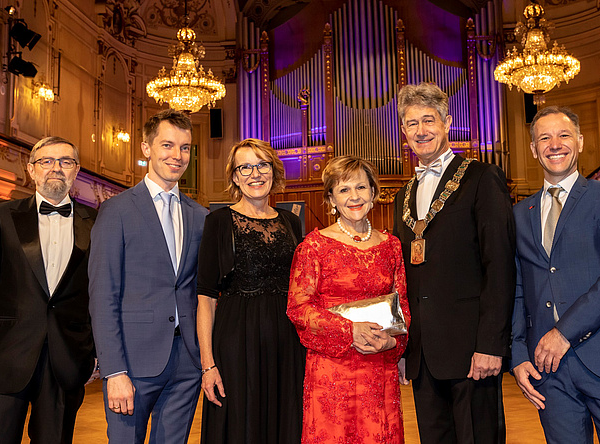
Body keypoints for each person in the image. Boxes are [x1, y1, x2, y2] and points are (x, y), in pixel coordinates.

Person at [510, 106, 600, 444]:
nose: (554, 144)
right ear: (533, 149)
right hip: (547, 370)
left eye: (563, 135)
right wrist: (516, 354)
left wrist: (564, 333)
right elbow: (515, 286)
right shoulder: (518, 213)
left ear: (581, 142)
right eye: (544, 137)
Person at [392, 82, 515, 443]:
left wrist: (491, 343)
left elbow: (500, 265)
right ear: (403, 132)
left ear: (447, 122)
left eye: (428, 120)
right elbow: (402, 278)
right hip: (423, 354)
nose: (421, 130)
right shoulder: (403, 194)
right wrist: (403, 347)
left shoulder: (481, 177)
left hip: (471, 349)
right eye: (411, 123)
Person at [0, 136, 98, 444]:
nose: (56, 169)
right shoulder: (2, 216)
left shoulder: (97, 222)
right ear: (31, 170)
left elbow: (100, 295)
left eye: (65, 162)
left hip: (66, 361)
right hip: (4, 360)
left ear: (77, 171)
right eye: (46, 161)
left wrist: (95, 354)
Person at [89, 109, 209, 444]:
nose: (177, 155)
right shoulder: (117, 211)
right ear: (146, 148)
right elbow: (103, 297)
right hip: (133, 361)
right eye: (168, 145)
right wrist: (114, 371)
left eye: (185, 148)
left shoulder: (200, 216)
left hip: (186, 361)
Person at [287, 156, 410, 444]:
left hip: (379, 368)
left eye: (361, 188)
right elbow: (298, 309)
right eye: (343, 190)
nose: (354, 197)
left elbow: (402, 306)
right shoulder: (313, 247)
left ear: (373, 193)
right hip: (332, 371)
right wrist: (349, 330)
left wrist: (394, 343)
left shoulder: (391, 246)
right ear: (330, 197)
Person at [197, 138, 306, 443]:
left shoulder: (290, 221)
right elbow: (205, 297)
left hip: (286, 344)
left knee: (286, 424)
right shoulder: (218, 221)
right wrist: (208, 365)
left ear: (273, 170)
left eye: (262, 165)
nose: (255, 174)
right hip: (236, 344)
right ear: (234, 176)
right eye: (245, 167)